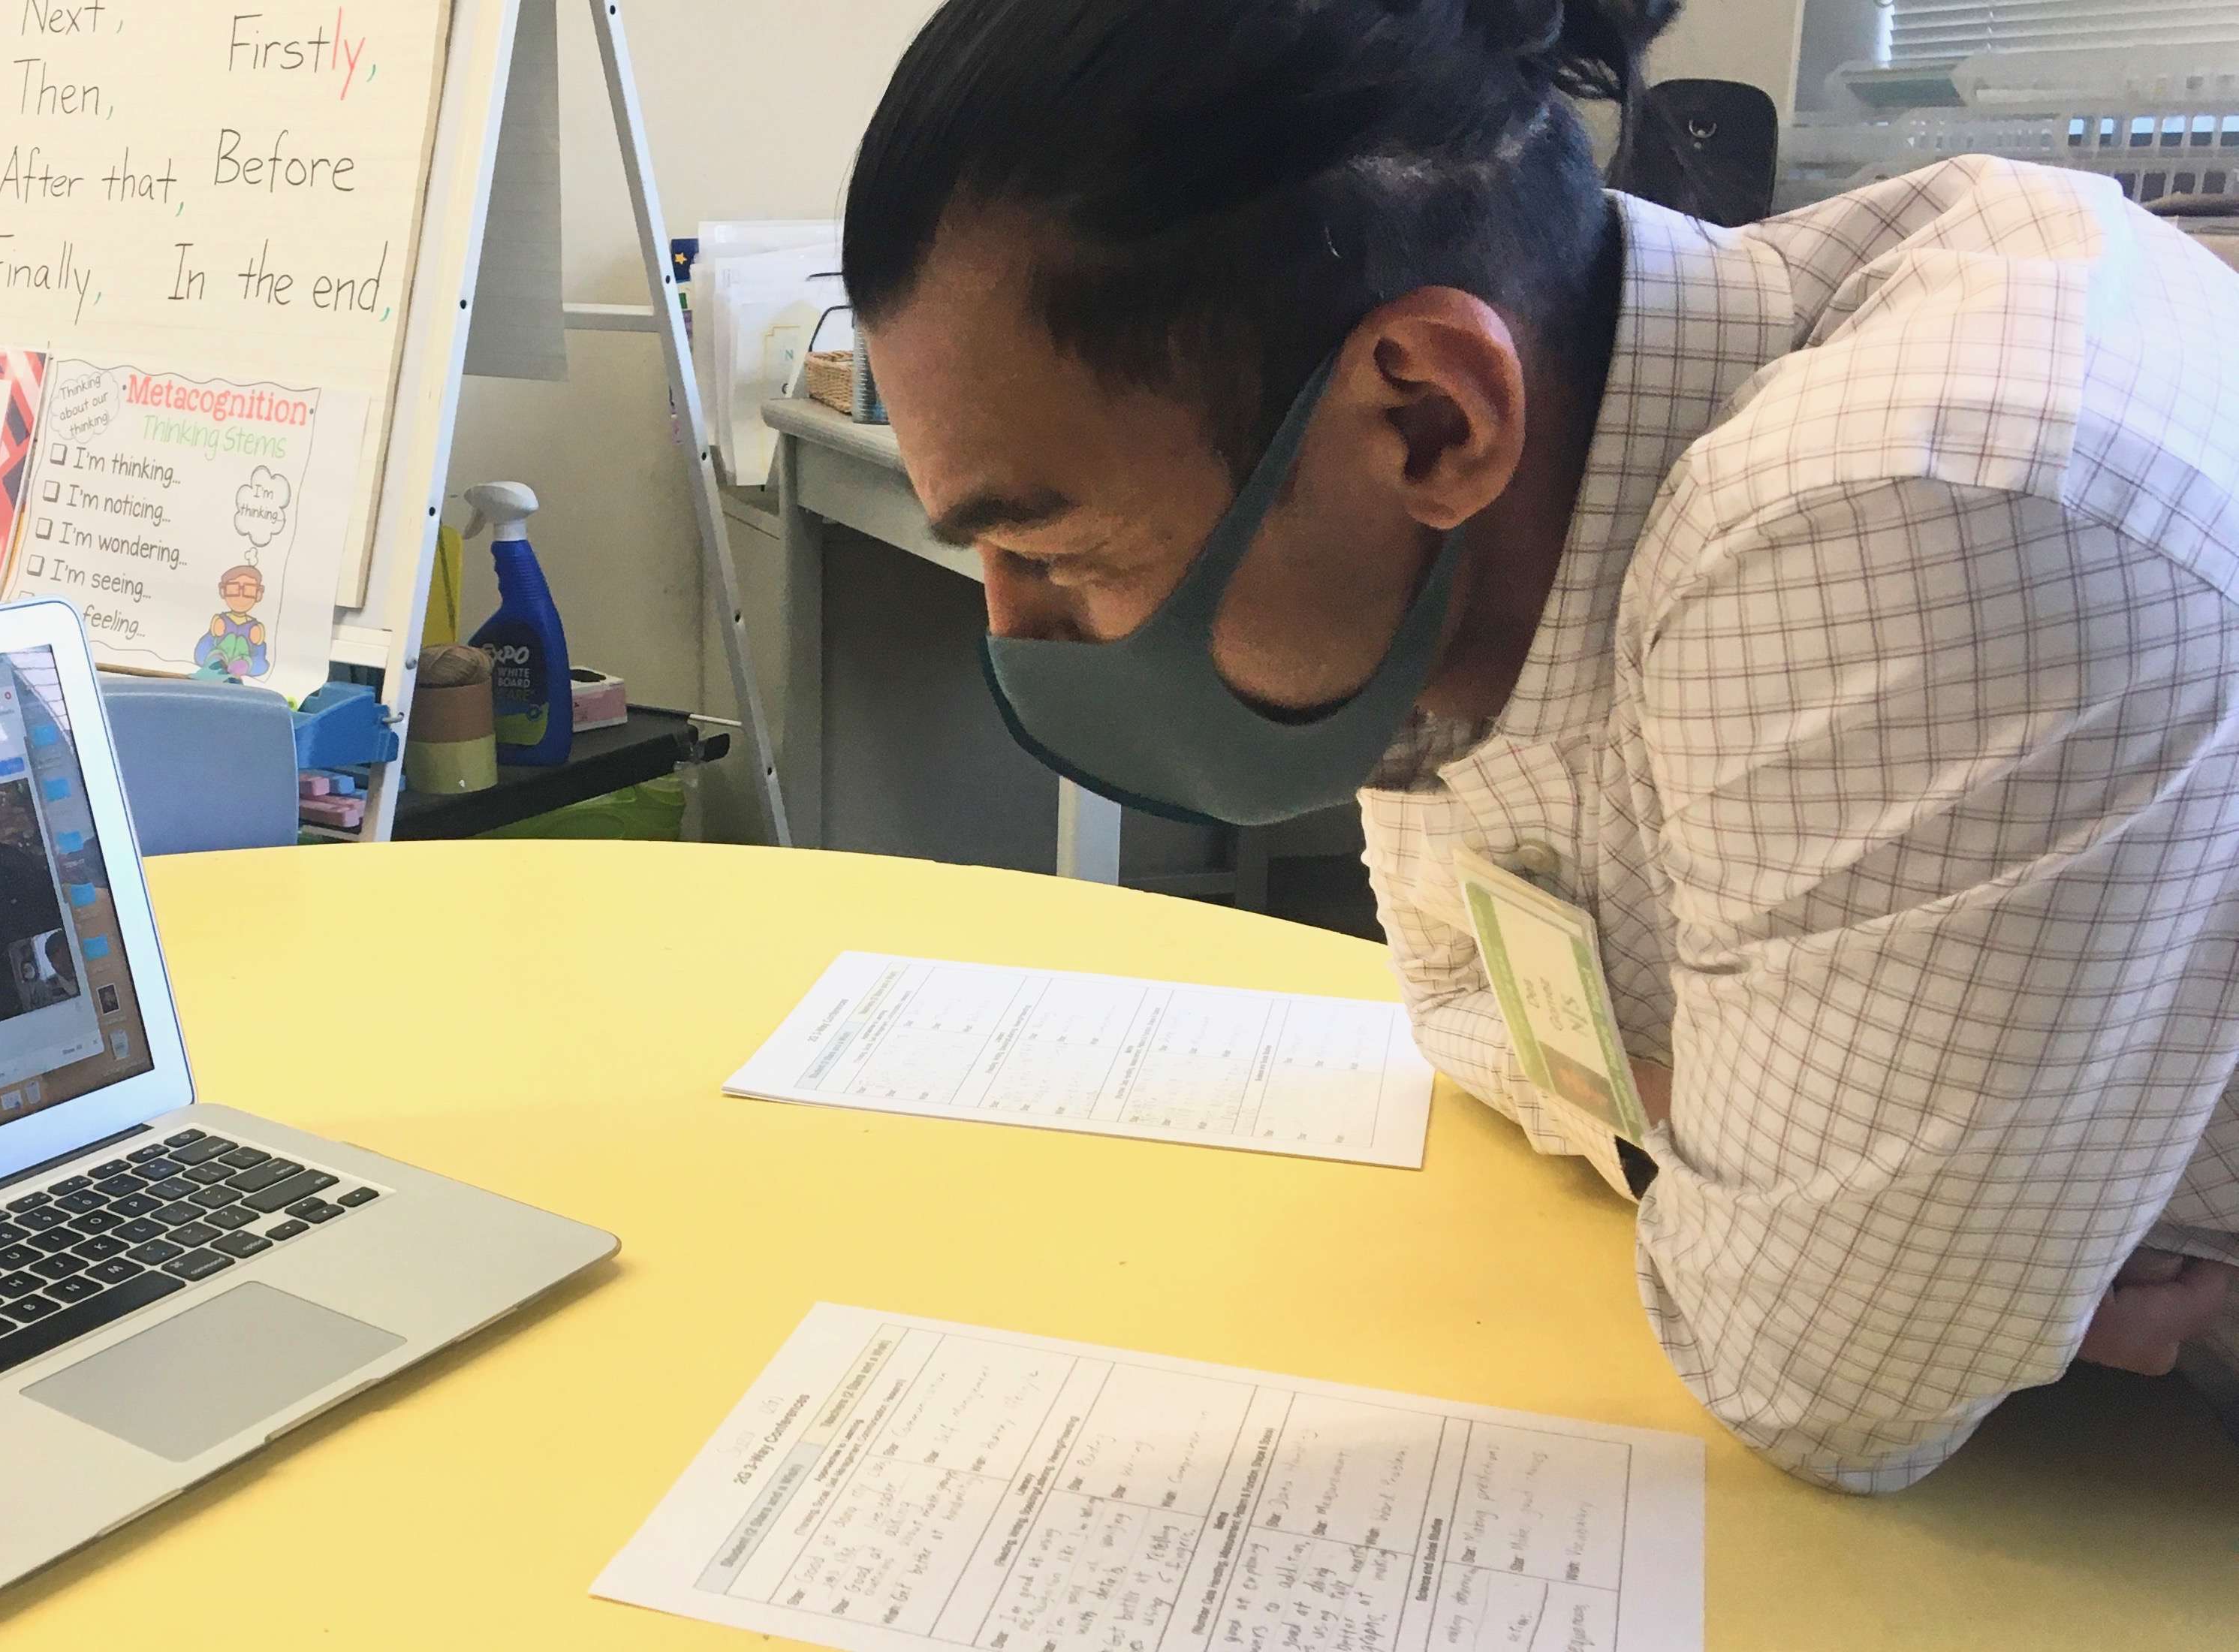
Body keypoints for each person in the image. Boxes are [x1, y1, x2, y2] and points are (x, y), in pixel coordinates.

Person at [845, 0, 2239, 1491]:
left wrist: (1837, 1229)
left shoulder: (1929, 510)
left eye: (1051, 543)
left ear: (1431, 418)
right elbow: (1463, 1013)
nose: (1017, 627)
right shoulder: (1519, 487)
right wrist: (1806, 1177)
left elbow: (1821, 1379)